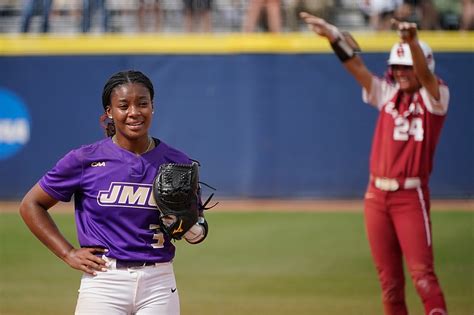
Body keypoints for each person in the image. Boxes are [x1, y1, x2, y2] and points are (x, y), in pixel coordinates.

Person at [19, 70, 210, 315]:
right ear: (109, 112)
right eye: (123, 105)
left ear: (153, 107)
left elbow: (199, 232)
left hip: (159, 283)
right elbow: (31, 204)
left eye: (142, 103)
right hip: (104, 281)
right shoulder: (85, 159)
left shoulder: (177, 163)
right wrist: (67, 253)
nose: (134, 112)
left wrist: (187, 225)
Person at [300, 12, 449, 315]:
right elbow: (357, 67)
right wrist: (333, 35)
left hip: (410, 196)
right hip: (376, 197)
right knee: (390, 285)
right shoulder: (388, 94)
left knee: (423, 277)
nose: (402, 72)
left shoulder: (436, 96)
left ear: (422, 65)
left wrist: (413, 43)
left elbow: (427, 77)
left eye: (407, 67)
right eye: (397, 67)